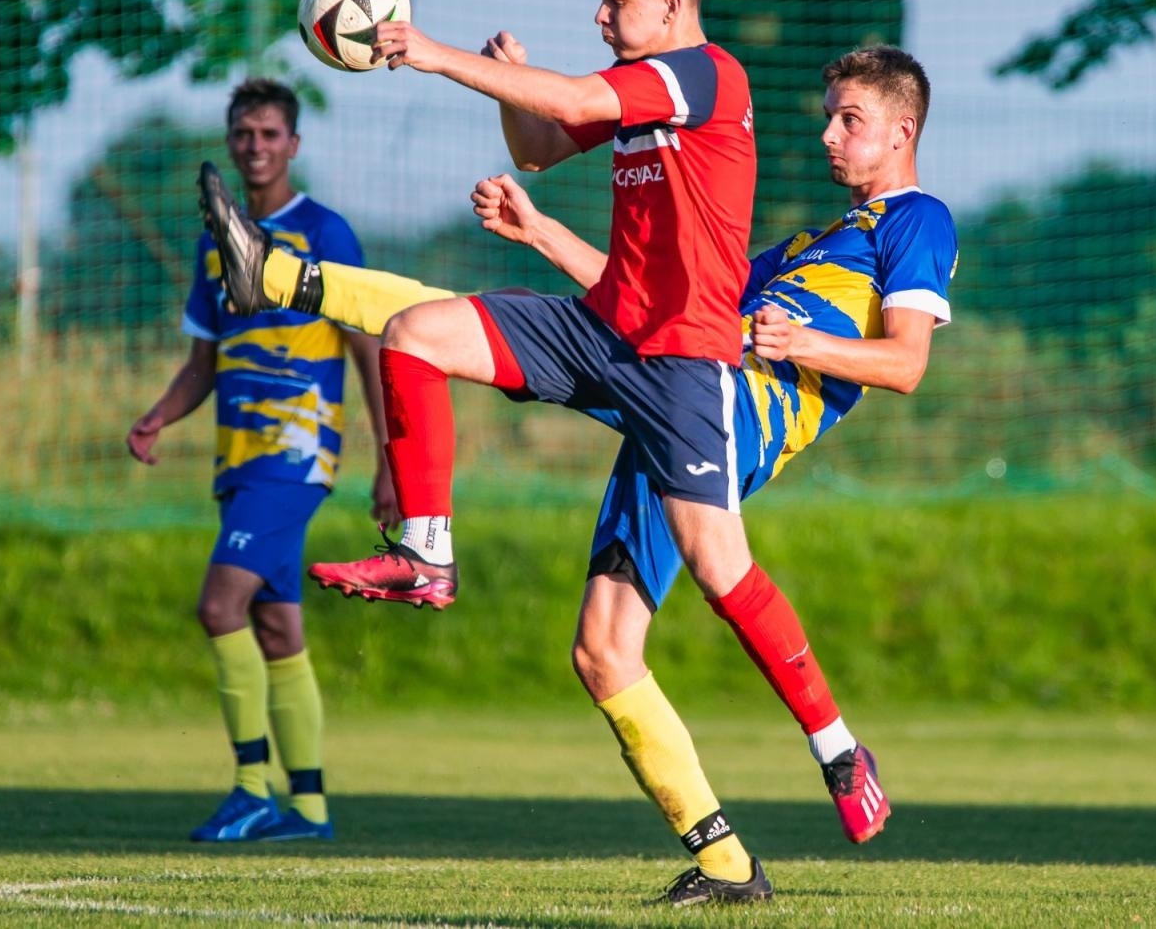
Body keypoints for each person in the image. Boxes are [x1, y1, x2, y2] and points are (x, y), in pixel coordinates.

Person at [205, 46, 955, 901]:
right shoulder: (806, 242)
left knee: (718, 566)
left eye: (849, 120)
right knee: (602, 653)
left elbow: (906, 363)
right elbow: (651, 317)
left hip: (734, 415)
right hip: (673, 387)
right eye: (829, 113)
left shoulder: (918, 219)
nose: (829, 134)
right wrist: (542, 233)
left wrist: (801, 344)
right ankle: (726, 864)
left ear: (902, 131)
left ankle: (838, 749)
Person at [127, 78, 393, 843]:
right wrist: (158, 416)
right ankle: (307, 805)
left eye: (270, 133)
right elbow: (202, 362)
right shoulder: (219, 243)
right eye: (244, 133)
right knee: (278, 630)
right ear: (231, 140)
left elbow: (368, 347)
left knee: (219, 606)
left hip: (297, 452)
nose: (256, 146)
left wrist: (388, 459)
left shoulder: (325, 233)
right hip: (239, 460)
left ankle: (249, 786)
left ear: (293, 145)